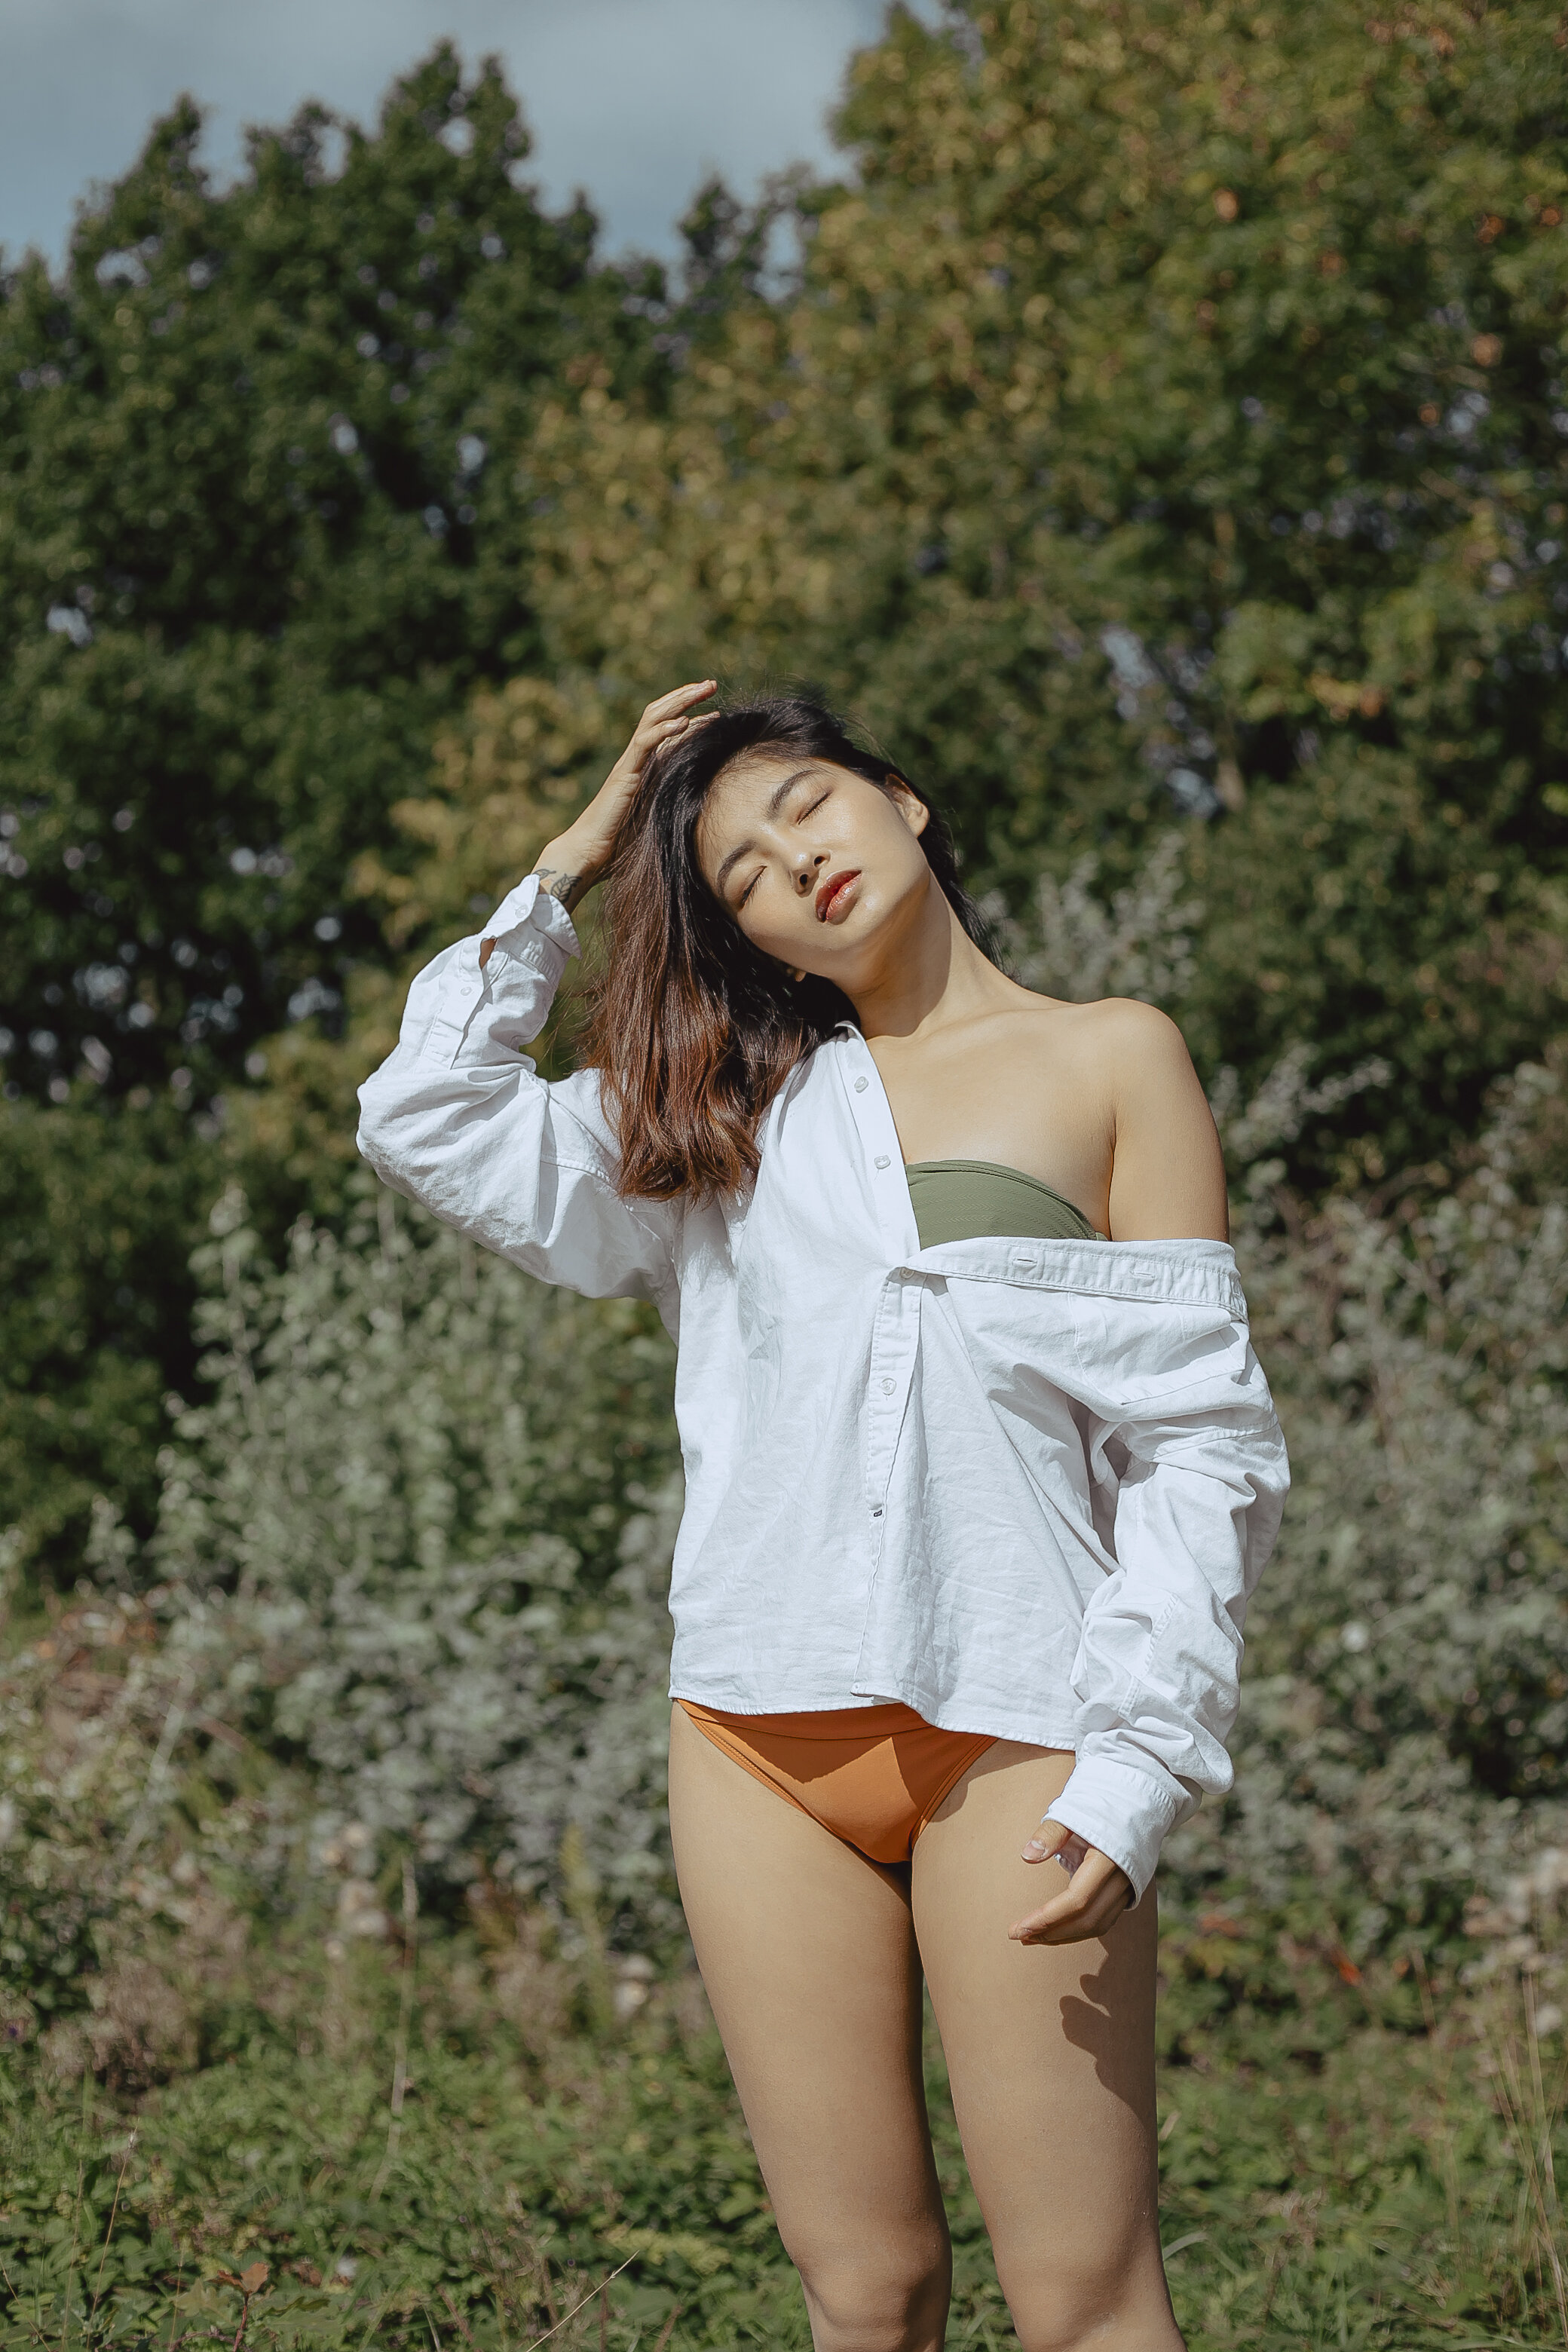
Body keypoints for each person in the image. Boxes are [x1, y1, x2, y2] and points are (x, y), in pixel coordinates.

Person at [357, 681, 1289, 2352]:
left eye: (808, 810)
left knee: (1082, 2299)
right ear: (750, 939)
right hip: (750, 1732)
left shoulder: (1109, 1053)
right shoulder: (715, 1113)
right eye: (739, 877)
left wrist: (1140, 1755)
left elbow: (1201, 1450)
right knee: (863, 2291)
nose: (796, 865)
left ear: (900, 799)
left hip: (1021, 1722)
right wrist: (571, 862)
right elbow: (425, 1115)